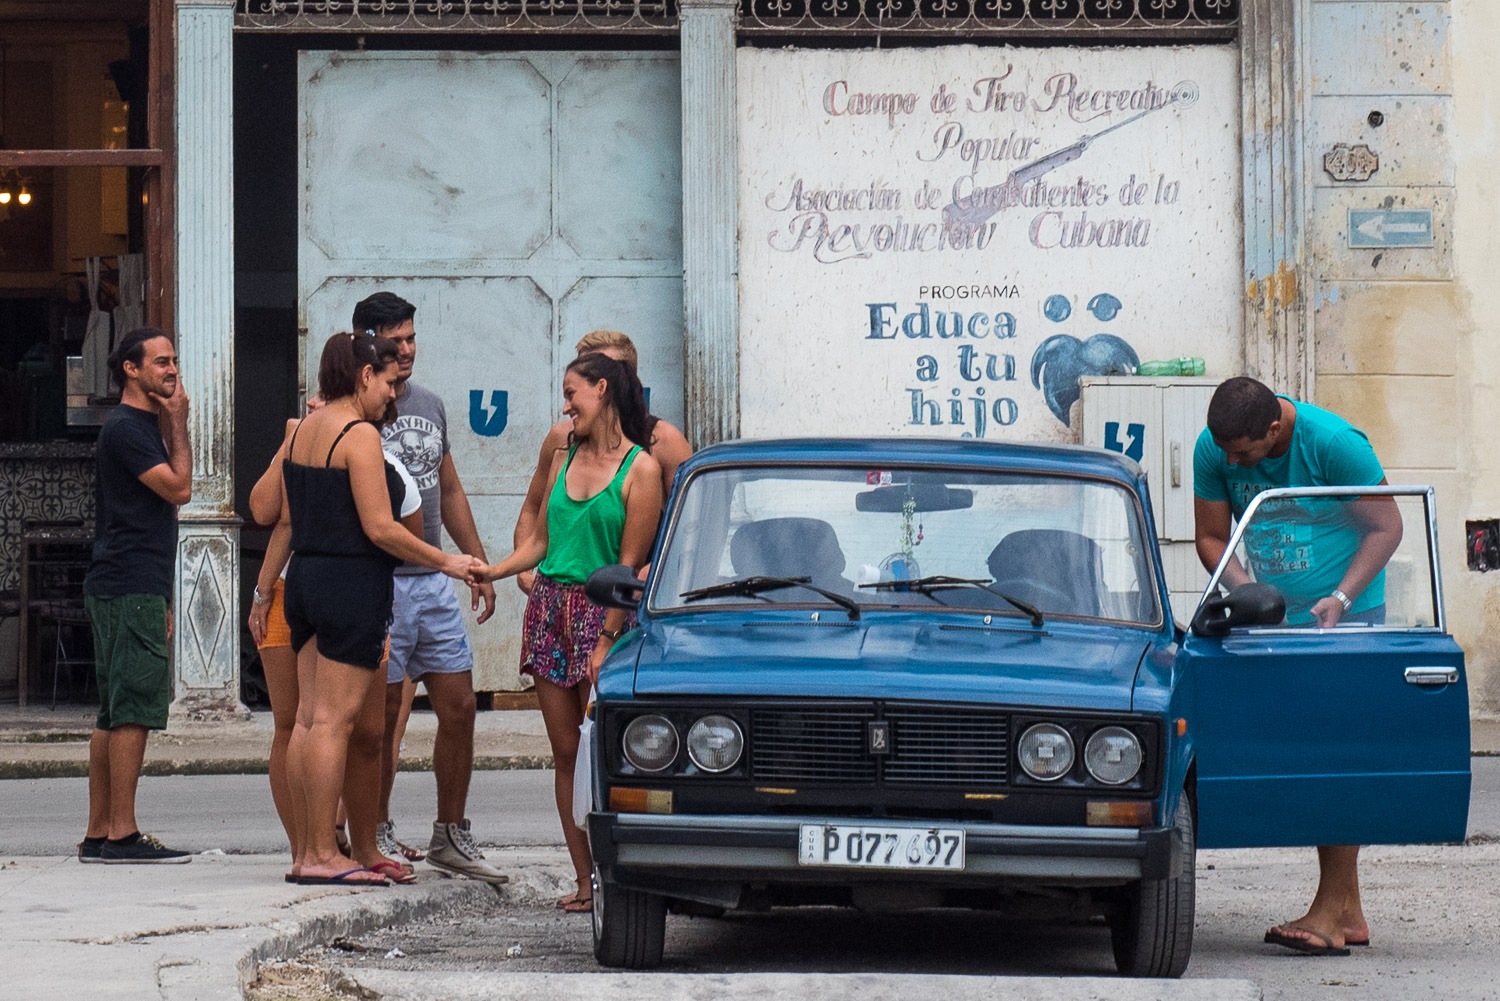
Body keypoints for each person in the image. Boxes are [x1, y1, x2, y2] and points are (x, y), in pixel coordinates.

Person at [1193, 376, 1403, 956]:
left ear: (1274, 429)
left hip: (1347, 615)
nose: (1232, 462)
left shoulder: (1334, 444)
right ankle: (1350, 910)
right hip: (1275, 622)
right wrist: (1248, 592)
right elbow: (1211, 537)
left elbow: (1388, 527)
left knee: (1334, 755)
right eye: (1226, 451)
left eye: (1244, 452)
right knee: (1310, 753)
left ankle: (1329, 915)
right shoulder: (1215, 445)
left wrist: (1341, 597)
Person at [281, 332, 480, 886]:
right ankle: (323, 854)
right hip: (349, 584)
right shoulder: (358, 436)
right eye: (386, 383)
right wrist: (447, 561)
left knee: (306, 719)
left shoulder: (301, 432)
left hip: (305, 579)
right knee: (333, 723)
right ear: (363, 376)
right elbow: (380, 527)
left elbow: (287, 514)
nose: (392, 395)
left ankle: (307, 850)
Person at [475, 352, 663, 912]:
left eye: (571, 393)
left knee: (602, 754)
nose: (565, 406)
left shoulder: (641, 470)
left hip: (602, 615)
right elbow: (541, 543)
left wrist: (605, 641)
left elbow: (627, 572)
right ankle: (585, 881)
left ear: (601, 390)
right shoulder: (562, 457)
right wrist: (495, 569)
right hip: (551, 609)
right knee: (564, 753)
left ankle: (617, 880)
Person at [351, 292, 507, 884]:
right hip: (382, 583)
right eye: (397, 340)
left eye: (413, 337)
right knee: (383, 718)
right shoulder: (353, 409)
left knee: (460, 706)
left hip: (438, 582)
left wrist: (478, 563)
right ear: (368, 342)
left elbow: (451, 489)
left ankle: (451, 833)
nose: (409, 350)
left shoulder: (432, 405)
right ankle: (378, 828)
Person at [248, 394, 423, 884]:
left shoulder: (376, 455)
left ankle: (359, 847)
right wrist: (292, 439)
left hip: (351, 593)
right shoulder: (301, 440)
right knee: (297, 724)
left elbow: (399, 528)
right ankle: (308, 848)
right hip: (290, 591)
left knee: (365, 730)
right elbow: (268, 511)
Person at [78, 327, 192, 864]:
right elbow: (179, 488)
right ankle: (121, 833)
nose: (171, 370)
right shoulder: (127, 428)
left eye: (174, 361)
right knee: (132, 711)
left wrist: (163, 596)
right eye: (161, 362)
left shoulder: (135, 426)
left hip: (126, 583)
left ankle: (100, 831)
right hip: (128, 583)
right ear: (131, 368)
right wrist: (181, 422)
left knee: (112, 709)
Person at [514, 330, 691, 596]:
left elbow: (691, 526)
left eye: (603, 372)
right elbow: (532, 508)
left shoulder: (664, 441)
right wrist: (522, 570)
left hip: (633, 600)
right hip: (559, 599)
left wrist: (653, 571)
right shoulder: (561, 440)